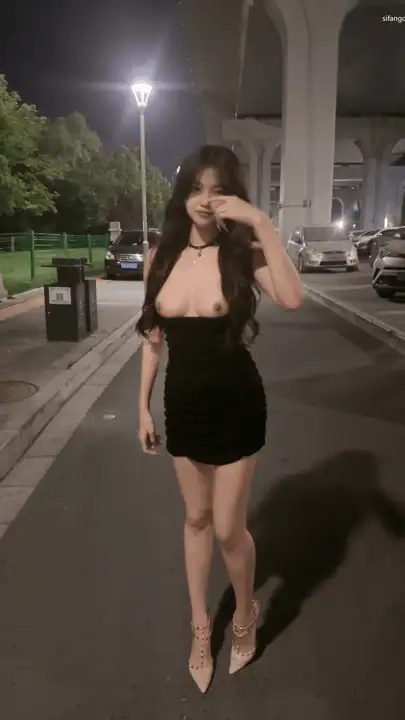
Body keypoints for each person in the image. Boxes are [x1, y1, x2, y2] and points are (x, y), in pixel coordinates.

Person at [136, 145, 302, 693]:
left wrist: (260, 221)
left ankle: (246, 614)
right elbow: (153, 340)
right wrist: (141, 406)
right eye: (196, 188)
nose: (205, 200)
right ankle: (201, 628)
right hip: (183, 405)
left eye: (217, 190)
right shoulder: (160, 255)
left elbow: (292, 297)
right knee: (195, 519)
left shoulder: (242, 252)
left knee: (229, 528)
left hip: (235, 404)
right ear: (183, 193)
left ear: (231, 195)